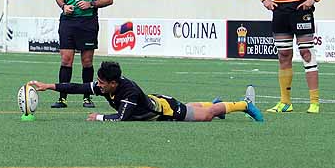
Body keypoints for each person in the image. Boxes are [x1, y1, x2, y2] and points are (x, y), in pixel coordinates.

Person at [29, 61, 263, 123]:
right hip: (158, 102)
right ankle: (215, 103)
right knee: (197, 107)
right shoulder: (108, 85)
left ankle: (243, 105)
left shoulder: (128, 92)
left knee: (206, 115)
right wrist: (48, 86)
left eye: (101, 82)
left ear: (113, 82)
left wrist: (98, 117)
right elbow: (78, 87)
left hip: (166, 111)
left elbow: (123, 118)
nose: (97, 85)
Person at [53, 0, 113, 109]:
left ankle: (87, 97)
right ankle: (62, 98)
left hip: (88, 22)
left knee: (87, 61)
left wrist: (91, 4)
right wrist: (64, 6)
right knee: (66, 60)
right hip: (68, 21)